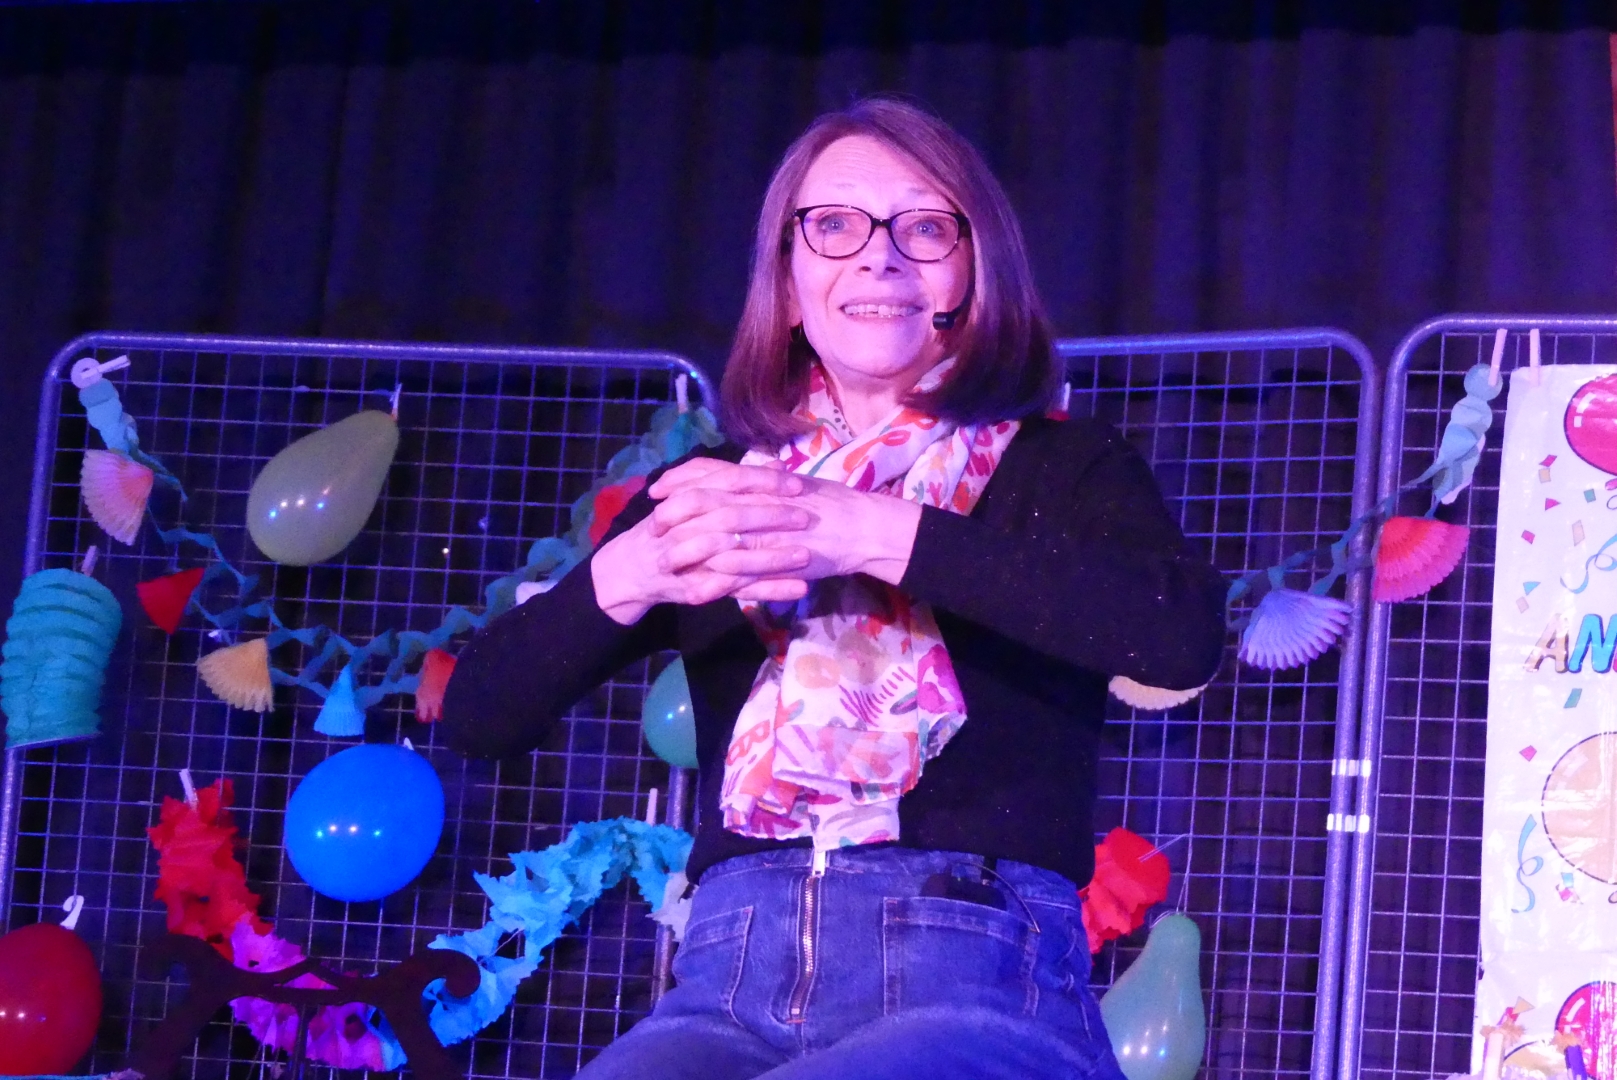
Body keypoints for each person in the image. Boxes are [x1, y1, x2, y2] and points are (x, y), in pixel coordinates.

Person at [441, 96, 1225, 1080]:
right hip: (726, 977)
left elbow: (1177, 636)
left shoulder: (1061, 465)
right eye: (835, 226)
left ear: (976, 271)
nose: (878, 259)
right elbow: (479, 717)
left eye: (925, 229)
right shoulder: (718, 491)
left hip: (977, 974)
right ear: (787, 277)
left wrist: (865, 529)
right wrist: (629, 571)